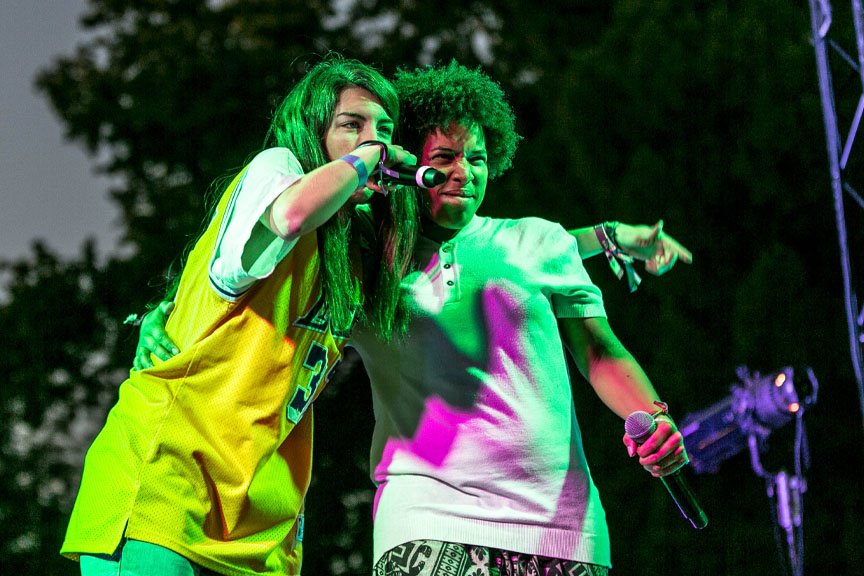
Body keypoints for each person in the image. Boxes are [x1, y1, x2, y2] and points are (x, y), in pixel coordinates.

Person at [135, 61, 691, 575]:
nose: (463, 173)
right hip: (424, 521)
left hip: (565, 529)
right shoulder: (361, 268)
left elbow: (599, 351)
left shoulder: (537, 240)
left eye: (477, 158)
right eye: (443, 157)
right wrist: (166, 313)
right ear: (403, 162)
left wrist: (653, 414)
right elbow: (258, 266)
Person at [61, 54, 418, 576]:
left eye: (384, 131)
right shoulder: (276, 169)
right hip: (169, 485)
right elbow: (289, 216)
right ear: (312, 129)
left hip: (259, 521)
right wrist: (367, 158)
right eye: (352, 125)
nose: (374, 141)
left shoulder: (355, 258)